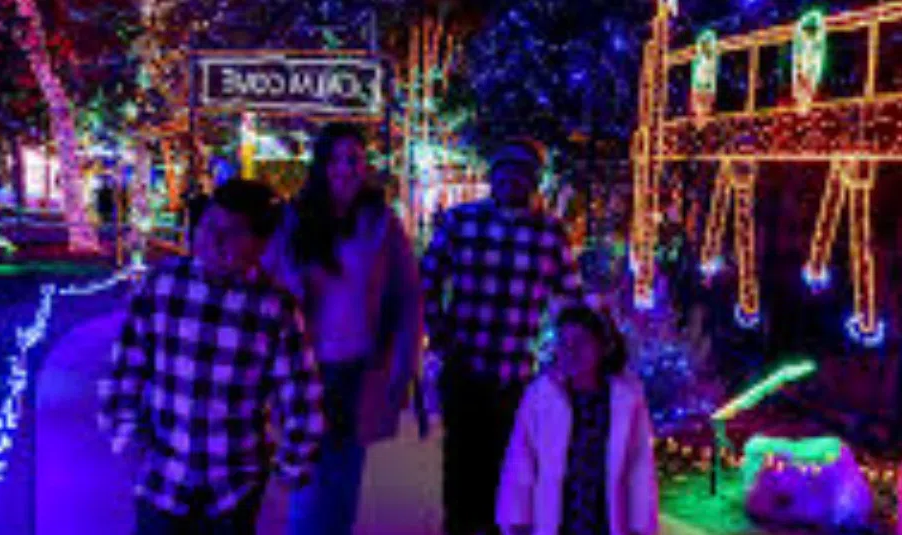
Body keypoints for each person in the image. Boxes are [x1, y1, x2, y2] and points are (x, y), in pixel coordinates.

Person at [97, 179, 325, 535]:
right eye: (208, 225)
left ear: (261, 243)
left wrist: (289, 471)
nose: (213, 239)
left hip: (235, 488)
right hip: (162, 478)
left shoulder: (273, 307)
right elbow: (126, 365)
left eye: (232, 232)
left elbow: (302, 396)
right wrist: (124, 435)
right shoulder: (163, 285)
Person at [262, 122, 423, 535]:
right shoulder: (294, 219)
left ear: (365, 165)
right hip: (305, 368)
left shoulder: (381, 223)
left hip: (359, 367)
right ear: (321, 165)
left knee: (345, 478)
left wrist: (404, 364)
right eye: (335, 159)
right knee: (309, 476)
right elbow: (269, 282)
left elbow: (407, 296)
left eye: (353, 158)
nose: (345, 168)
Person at [421, 138, 585, 535]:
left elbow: (570, 299)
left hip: (515, 372)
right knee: (462, 460)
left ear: (534, 181)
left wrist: (565, 355)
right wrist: (439, 332)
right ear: (492, 177)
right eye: (504, 172)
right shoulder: (461, 221)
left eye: (522, 173)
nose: (512, 180)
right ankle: (460, 528)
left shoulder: (550, 234)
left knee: (507, 463)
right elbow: (425, 280)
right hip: (464, 364)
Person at [497, 305, 659, 535]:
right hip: (557, 519)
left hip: (605, 520)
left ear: (601, 347)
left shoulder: (626, 400)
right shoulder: (542, 396)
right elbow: (522, 459)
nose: (571, 351)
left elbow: (639, 465)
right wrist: (518, 518)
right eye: (564, 343)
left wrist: (640, 524)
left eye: (581, 342)